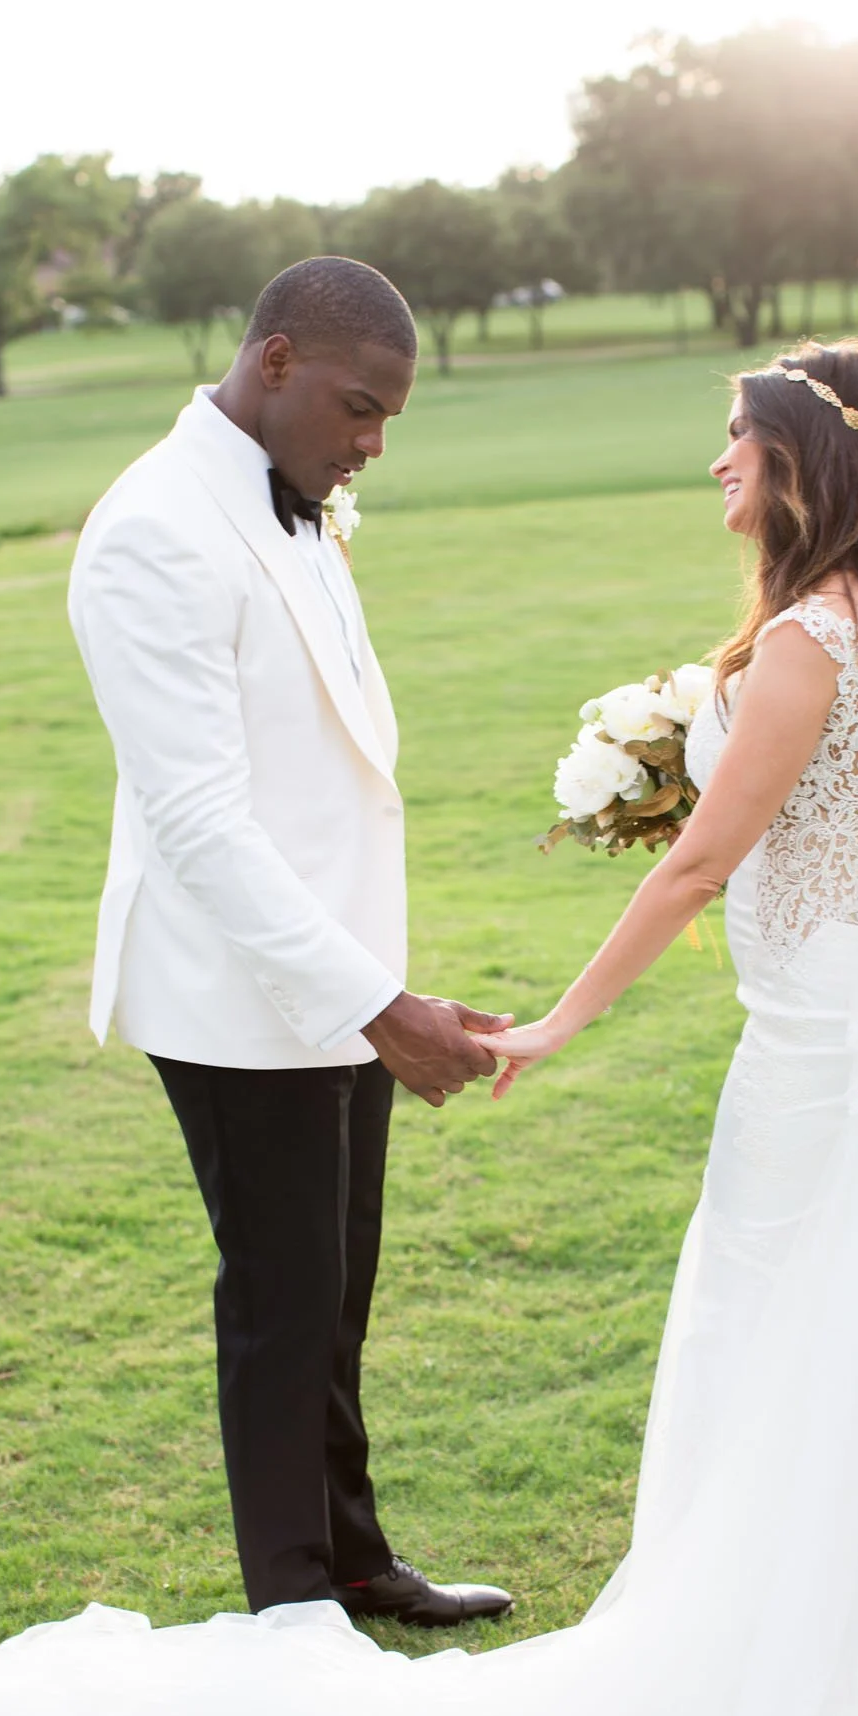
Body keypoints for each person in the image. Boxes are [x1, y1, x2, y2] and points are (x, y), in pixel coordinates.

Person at [0, 340, 858, 1716]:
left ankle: (764, 1654)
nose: (715, 467)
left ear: (799, 463)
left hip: (812, 1068)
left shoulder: (806, 639)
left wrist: (559, 1022)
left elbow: (702, 870)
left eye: (734, 443)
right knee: (844, 1346)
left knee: (779, 1336)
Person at [66, 256, 514, 1628]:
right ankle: (296, 1613)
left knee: (337, 1288)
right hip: (234, 992)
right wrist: (378, 1002)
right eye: (360, 407)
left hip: (334, 974)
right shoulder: (154, 530)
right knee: (281, 1303)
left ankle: (356, 1557)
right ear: (272, 362)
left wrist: (369, 987)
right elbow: (198, 821)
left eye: (389, 418)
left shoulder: (298, 501)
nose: (373, 442)